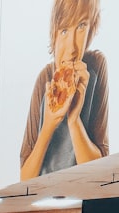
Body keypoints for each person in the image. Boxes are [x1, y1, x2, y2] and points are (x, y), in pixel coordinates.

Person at [20, 0, 108, 180]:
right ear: (54, 33)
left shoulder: (96, 68)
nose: (72, 49)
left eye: (82, 26)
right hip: (44, 198)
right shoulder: (44, 79)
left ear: (91, 29)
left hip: (81, 198)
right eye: (64, 30)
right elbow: (25, 178)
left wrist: (74, 120)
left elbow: (100, 174)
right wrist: (49, 124)